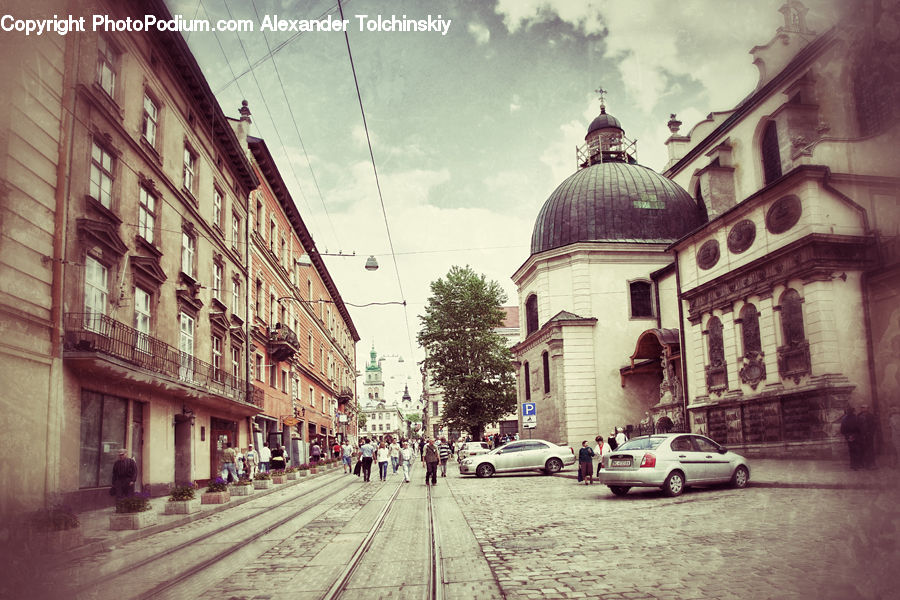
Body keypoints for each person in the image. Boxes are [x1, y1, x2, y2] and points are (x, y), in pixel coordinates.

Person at [857, 404, 878, 469]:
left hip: (869, 435)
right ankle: (863, 463)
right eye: (862, 408)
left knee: (870, 449)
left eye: (865, 408)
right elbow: (857, 425)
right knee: (862, 449)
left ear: (868, 409)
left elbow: (874, 426)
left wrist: (870, 433)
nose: (863, 409)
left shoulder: (871, 416)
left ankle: (871, 464)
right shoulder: (858, 416)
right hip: (861, 435)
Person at [840, 406, 861, 470]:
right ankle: (856, 465)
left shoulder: (844, 419)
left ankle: (852, 465)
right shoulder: (856, 418)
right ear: (853, 411)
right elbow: (859, 428)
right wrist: (856, 434)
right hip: (856, 436)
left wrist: (847, 435)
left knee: (851, 450)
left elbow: (842, 430)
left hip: (848, 436)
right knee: (857, 450)